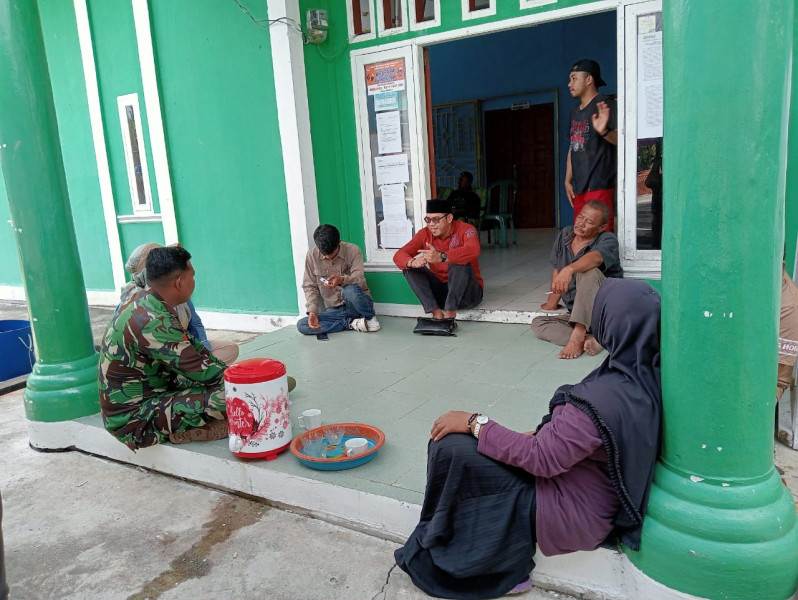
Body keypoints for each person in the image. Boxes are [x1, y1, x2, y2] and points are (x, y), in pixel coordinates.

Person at [395, 278, 662, 599]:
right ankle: (453, 531)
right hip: (588, 495)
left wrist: (474, 422)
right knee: (467, 448)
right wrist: (515, 437)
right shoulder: (641, 374)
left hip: (570, 510)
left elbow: (542, 460)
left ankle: (503, 568)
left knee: (452, 447)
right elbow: (578, 442)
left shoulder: (606, 395)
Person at [99, 246, 230, 449]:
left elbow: (198, 353)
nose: (194, 282)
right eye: (192, 276)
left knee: (230, 386)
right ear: (179, 282)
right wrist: (249, 384)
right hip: (133, 420)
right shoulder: (152, 320)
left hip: (154, 393)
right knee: (229, 396)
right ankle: (184, 431)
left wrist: (236, 376)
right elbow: (203, 371)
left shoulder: (149, 303)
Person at [119, 242, 239, 365]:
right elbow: (167, 349)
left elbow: (195, 326)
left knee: (229, 348)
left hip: (178, 349)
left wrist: (205, 353)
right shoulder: (144, 306)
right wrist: (207, 367)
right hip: (153, 362)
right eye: (191, 276)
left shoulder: (175, 296)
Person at [531, 201, 622, 359]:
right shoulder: (566, 234)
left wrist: (570, 269)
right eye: (580, 217)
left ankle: (579, 334)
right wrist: (552, 302)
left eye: (589, 222)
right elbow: (558, 270)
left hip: (605, 314)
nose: (581, 224)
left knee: (589, 272)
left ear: (601, 227)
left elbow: (595, 258)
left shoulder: (608, 239)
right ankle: (595, 339)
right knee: (538, 323)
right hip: (578, 313)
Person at [393, 199, 483, 323]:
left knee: (458, 262)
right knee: (409, 268)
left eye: (436, 219)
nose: (431, 224)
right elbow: (399, 255)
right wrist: (412, 262)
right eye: (428, 220)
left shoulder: (466, 229)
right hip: (441, 296)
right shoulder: (424, 234)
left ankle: (450, 314)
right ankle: (436, 313)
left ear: (449, 218)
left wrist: (443, 257)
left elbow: (474, 249)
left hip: (468, 295)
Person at [297, 224, 380, 335]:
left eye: (332, 253)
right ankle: (352, 323)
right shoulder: (312, 255)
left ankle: (369, 318)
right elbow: (309, 286)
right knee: (302, 325)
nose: (328, 257)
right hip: (335, 310)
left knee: (349, 290)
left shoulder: (353, 250)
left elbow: (360, 281)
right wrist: (312, 311)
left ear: (339, 242)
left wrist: (342, 280)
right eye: (324, 254)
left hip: (358, 305)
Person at [565, 59, 618, 232]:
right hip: (580, 187)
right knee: (580, 235)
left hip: (600, 185)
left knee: (600, 237)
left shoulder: (605, 104)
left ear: (589, 80)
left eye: (574, 78)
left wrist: (603, 131)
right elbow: (573, 146)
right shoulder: (575, 111)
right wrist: (567, 180)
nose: (569, 84)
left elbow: (623, 141)